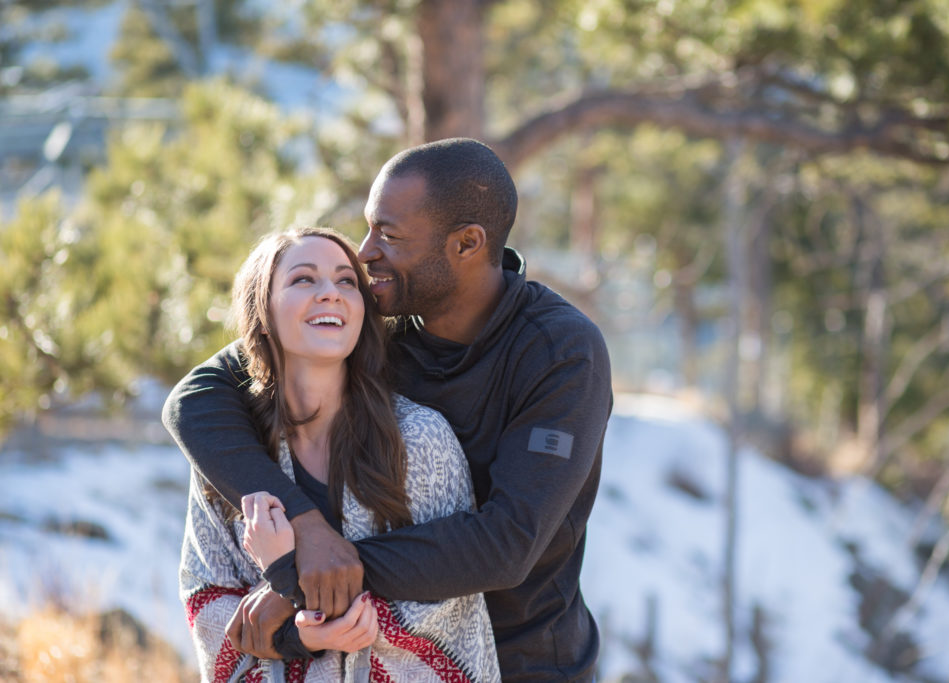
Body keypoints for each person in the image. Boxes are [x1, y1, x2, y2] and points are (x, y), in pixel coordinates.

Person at [164, 138, 613, 682]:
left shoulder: (560, 351)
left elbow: (508, 542)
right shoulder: (373, 321)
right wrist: (305, 529)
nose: (365, 251)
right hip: (363, 650)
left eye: (389, 236)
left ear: (467, 244)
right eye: (369, 227)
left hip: (527, 661)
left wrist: (314, 574)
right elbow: (198, 397)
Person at [178, 227, 499, 682]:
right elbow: (209, 599)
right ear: (263, 310)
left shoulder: (420, 439)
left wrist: (289, 586)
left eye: (347, 281)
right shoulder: (230, 457)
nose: (330, 293)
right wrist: (304, 637)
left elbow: (452, 610)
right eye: (303, 279)